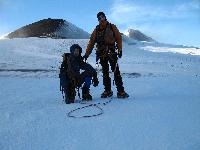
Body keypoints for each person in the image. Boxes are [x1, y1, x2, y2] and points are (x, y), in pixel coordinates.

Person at [83, 12, 129, 98]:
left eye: (102, 17)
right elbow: (91, 42)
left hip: (111, 52)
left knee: (116, 72)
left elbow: (118, 38)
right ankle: (108, 91)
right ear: (98, 19)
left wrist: (120, 49)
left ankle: (120, 91)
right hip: (102, 54)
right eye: (99, 18)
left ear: (105, 17)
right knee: (105, 73)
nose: (101, 18)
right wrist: (87, 54)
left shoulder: (112, 26)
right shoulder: (96, 30)